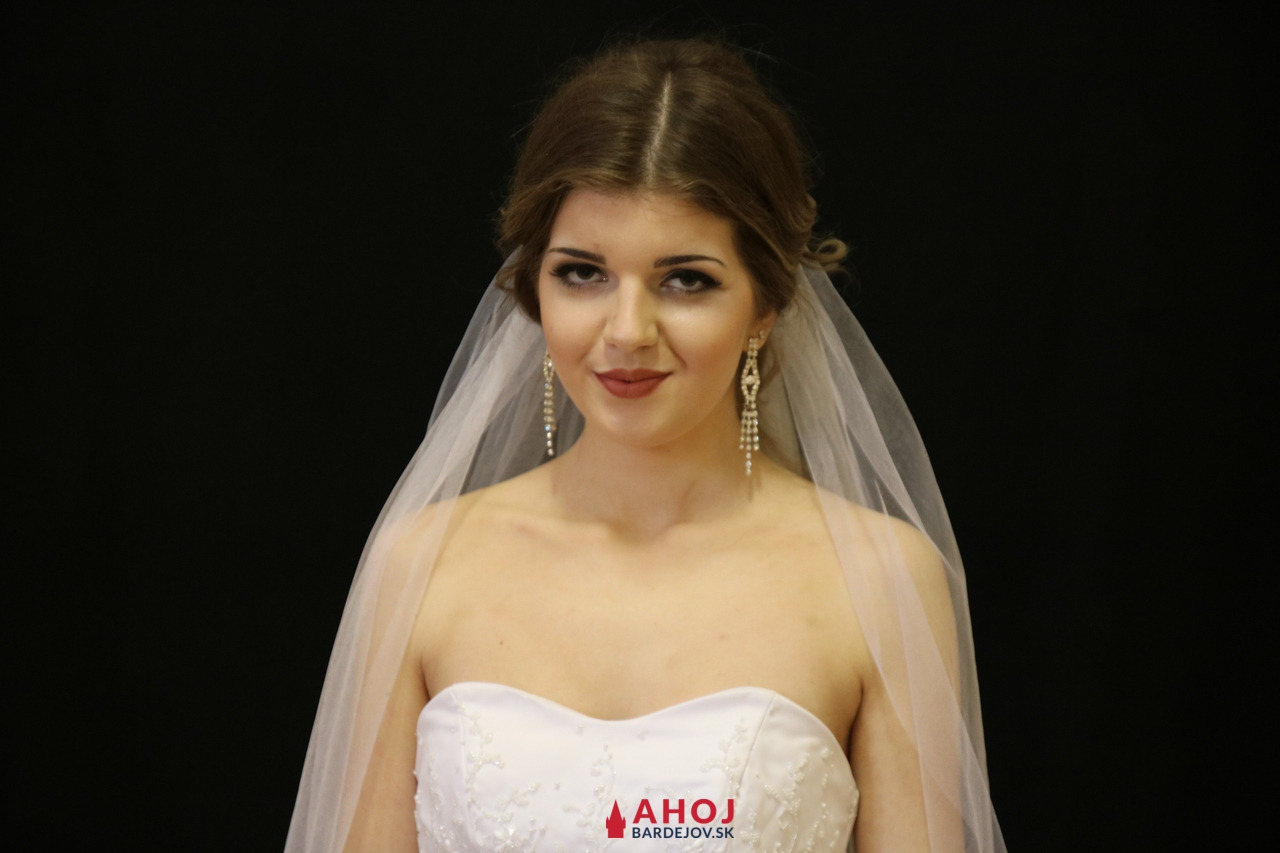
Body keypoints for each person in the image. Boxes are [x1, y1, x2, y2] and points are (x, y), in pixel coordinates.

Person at [286, 37, 1005, 852]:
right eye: (582, 273)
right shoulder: (419, 564)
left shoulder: (879, 578)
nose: (628, 330)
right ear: (533, 289)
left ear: (765, 306)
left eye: (685, 279)